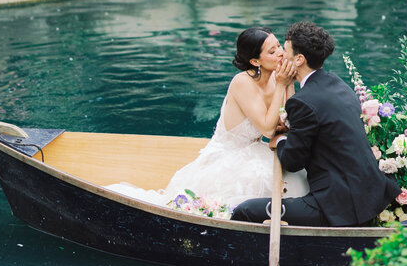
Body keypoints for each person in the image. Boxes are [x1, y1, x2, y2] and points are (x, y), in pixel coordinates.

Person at [106, 27, 308, 208]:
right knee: (262, 181)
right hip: (230, 155)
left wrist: (289, 84)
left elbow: (288, 121)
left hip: (256, 149)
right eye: (272, 51)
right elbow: (266, 128)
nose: (281, 53)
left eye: (279, 46)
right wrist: (283, 85)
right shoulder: (242, 83)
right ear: (255, 61)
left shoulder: (276, 77)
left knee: (297, 174)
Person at [231, 21, 400, 226]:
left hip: (337, 204)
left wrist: (283, 139)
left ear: (299, 59)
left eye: (284, 50)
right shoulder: (338, 83)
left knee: (245, 210)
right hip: (371, 192)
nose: (281, 55)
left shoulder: (304, 102)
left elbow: (292, 163)